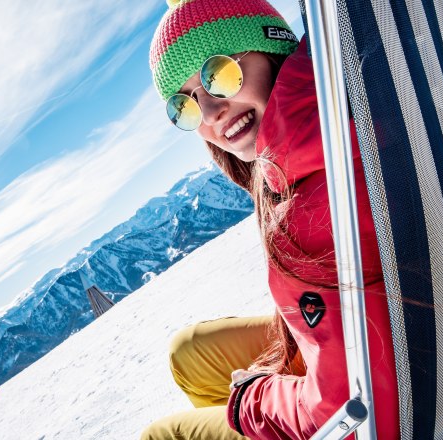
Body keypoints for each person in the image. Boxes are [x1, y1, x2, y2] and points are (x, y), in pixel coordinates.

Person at [142, 0, 399, 438]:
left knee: (162, 435)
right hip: (383, 339)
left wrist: (252, 400)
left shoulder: (313, 195)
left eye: (219, 74)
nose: (209, 114)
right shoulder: (342, 113)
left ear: (272, 48)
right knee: (188, 353)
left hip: (394, 403)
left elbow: (351, 418)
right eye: (184, 106)